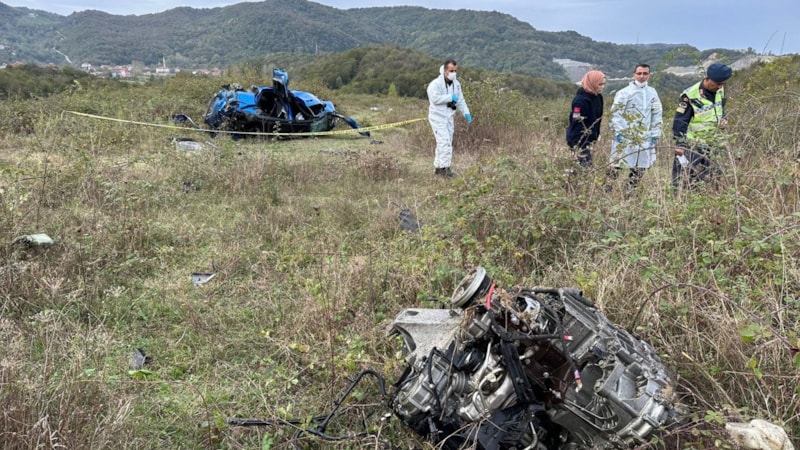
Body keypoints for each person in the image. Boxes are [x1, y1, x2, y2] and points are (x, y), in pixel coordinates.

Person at [671, 62, 732, 189]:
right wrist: (680, 144)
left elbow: (719, 108)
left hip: (713, 141)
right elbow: (680, 121)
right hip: (693, 143)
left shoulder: (720, 90)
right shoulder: (690, 96)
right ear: (708, 79)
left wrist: (724, 119)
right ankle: (679, 201)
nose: (720, 87)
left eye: (723, 84)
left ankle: (701, 195)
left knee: (711, 174)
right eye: (718, 84)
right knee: (682, 176)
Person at [609, 64, 663, 189]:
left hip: (645, 136)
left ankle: (629, 191)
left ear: (649, 75)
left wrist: (655, 133)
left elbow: (657, 113)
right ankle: (607, 190)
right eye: (639, 73)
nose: (642, 76)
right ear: (634, 75)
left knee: (640, 167)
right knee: (618, 165)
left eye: (645, 73)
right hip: (626, 135)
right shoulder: (624, 93)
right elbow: (616, 113)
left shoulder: (652, 92)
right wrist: (619, 132)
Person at [427, 59, 472, 177]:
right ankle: (445, 168)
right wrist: (449, 97)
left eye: (455, 71)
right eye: (451, 70)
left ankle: (438, 168)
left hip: (449, 117)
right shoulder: (435, 84)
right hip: (437, 117)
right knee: (444, 142)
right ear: (445, 70)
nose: (454, 73)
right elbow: (435, 99)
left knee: (446, 142)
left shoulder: (456, 85)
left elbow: (461, 100)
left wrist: (466, 113)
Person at [566, 70, 606, 167]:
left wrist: (596, 135)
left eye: (603, 84)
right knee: (585, 166)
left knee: (582, 167)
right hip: (578, 139)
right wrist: (577, 142)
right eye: (599, 84)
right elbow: (576, 120)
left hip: (590, 138)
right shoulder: (580, 101)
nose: (602, 87)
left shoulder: (598, 97)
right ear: (592, 83)